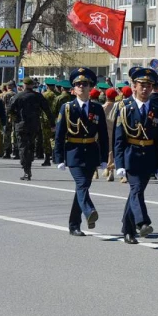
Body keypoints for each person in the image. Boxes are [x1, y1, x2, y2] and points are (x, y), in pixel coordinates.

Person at [53, 68, 109, 236]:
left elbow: (104, 135)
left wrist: (104, 158)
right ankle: (89, 211)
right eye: (78, 84)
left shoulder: (97, 108)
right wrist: (59, 158)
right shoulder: (67, 108)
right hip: (74, 152)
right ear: (73, 88)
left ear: (91, 87)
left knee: (81, 188)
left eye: (85, 84)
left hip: (91, 152)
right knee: (82, 184)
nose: (82, 87)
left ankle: (74, 224)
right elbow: (59, 134)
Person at [114, 67, 158, 244]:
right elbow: (119, 139)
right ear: (134, 86)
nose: (145, 89)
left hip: (149, 156)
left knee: (136, 192)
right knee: (136, 190)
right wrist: (119, 163)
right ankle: (142, 223)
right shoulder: (125, 108)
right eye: (142, 85)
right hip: (131, 156)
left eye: (149, 85)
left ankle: (126, 229)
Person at [10, 78, 54, 180]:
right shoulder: (38, 96)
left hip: (21, 125)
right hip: (34, 125)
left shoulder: (18, 96)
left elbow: (9, 109)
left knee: (22, 146)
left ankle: (26, 168)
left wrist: (16, 117)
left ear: (24, 85)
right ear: (32, 85)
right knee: (30, 145)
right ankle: (28, 164)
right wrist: (52, 124)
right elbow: (47, 110)